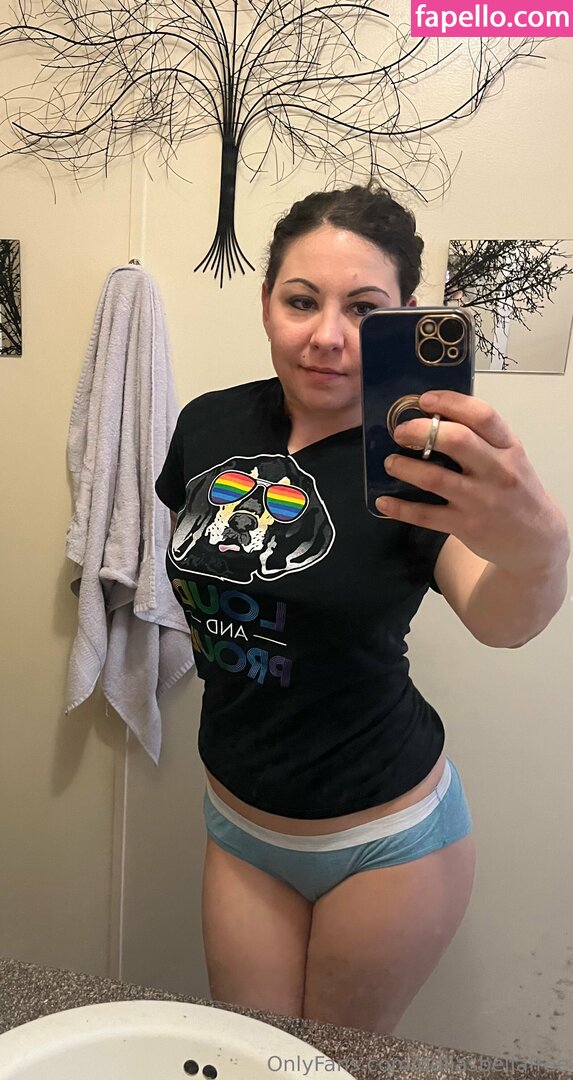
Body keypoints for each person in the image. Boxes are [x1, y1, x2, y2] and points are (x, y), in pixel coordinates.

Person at [155, 180, 570, 1034]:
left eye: (363, 309)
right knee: (255, 1060)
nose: (326, 336)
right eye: (301, 301)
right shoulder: (208, 425)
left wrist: (541, 551)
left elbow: (499, 619)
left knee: (333, 1067)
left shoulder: (421, 464)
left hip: (383, 840)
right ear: (266, 303)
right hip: (237, 823)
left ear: (401, 318)